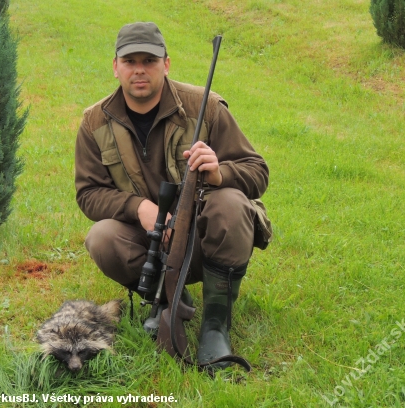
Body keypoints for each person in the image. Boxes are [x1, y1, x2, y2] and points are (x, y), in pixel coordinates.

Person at [74, 22, 269, 368]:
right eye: (130, 61)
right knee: (101, 237)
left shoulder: (206, 107)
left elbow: (257, 170)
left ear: (166, 64)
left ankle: (215, 324)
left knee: (231, 203)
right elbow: (89, 193)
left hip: (206, 239)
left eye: (149, 60)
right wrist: (140, 208)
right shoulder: (94, 123)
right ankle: (167, 298)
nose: (139, 70)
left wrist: (220, 173)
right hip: (150, 244)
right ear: (115, 66)